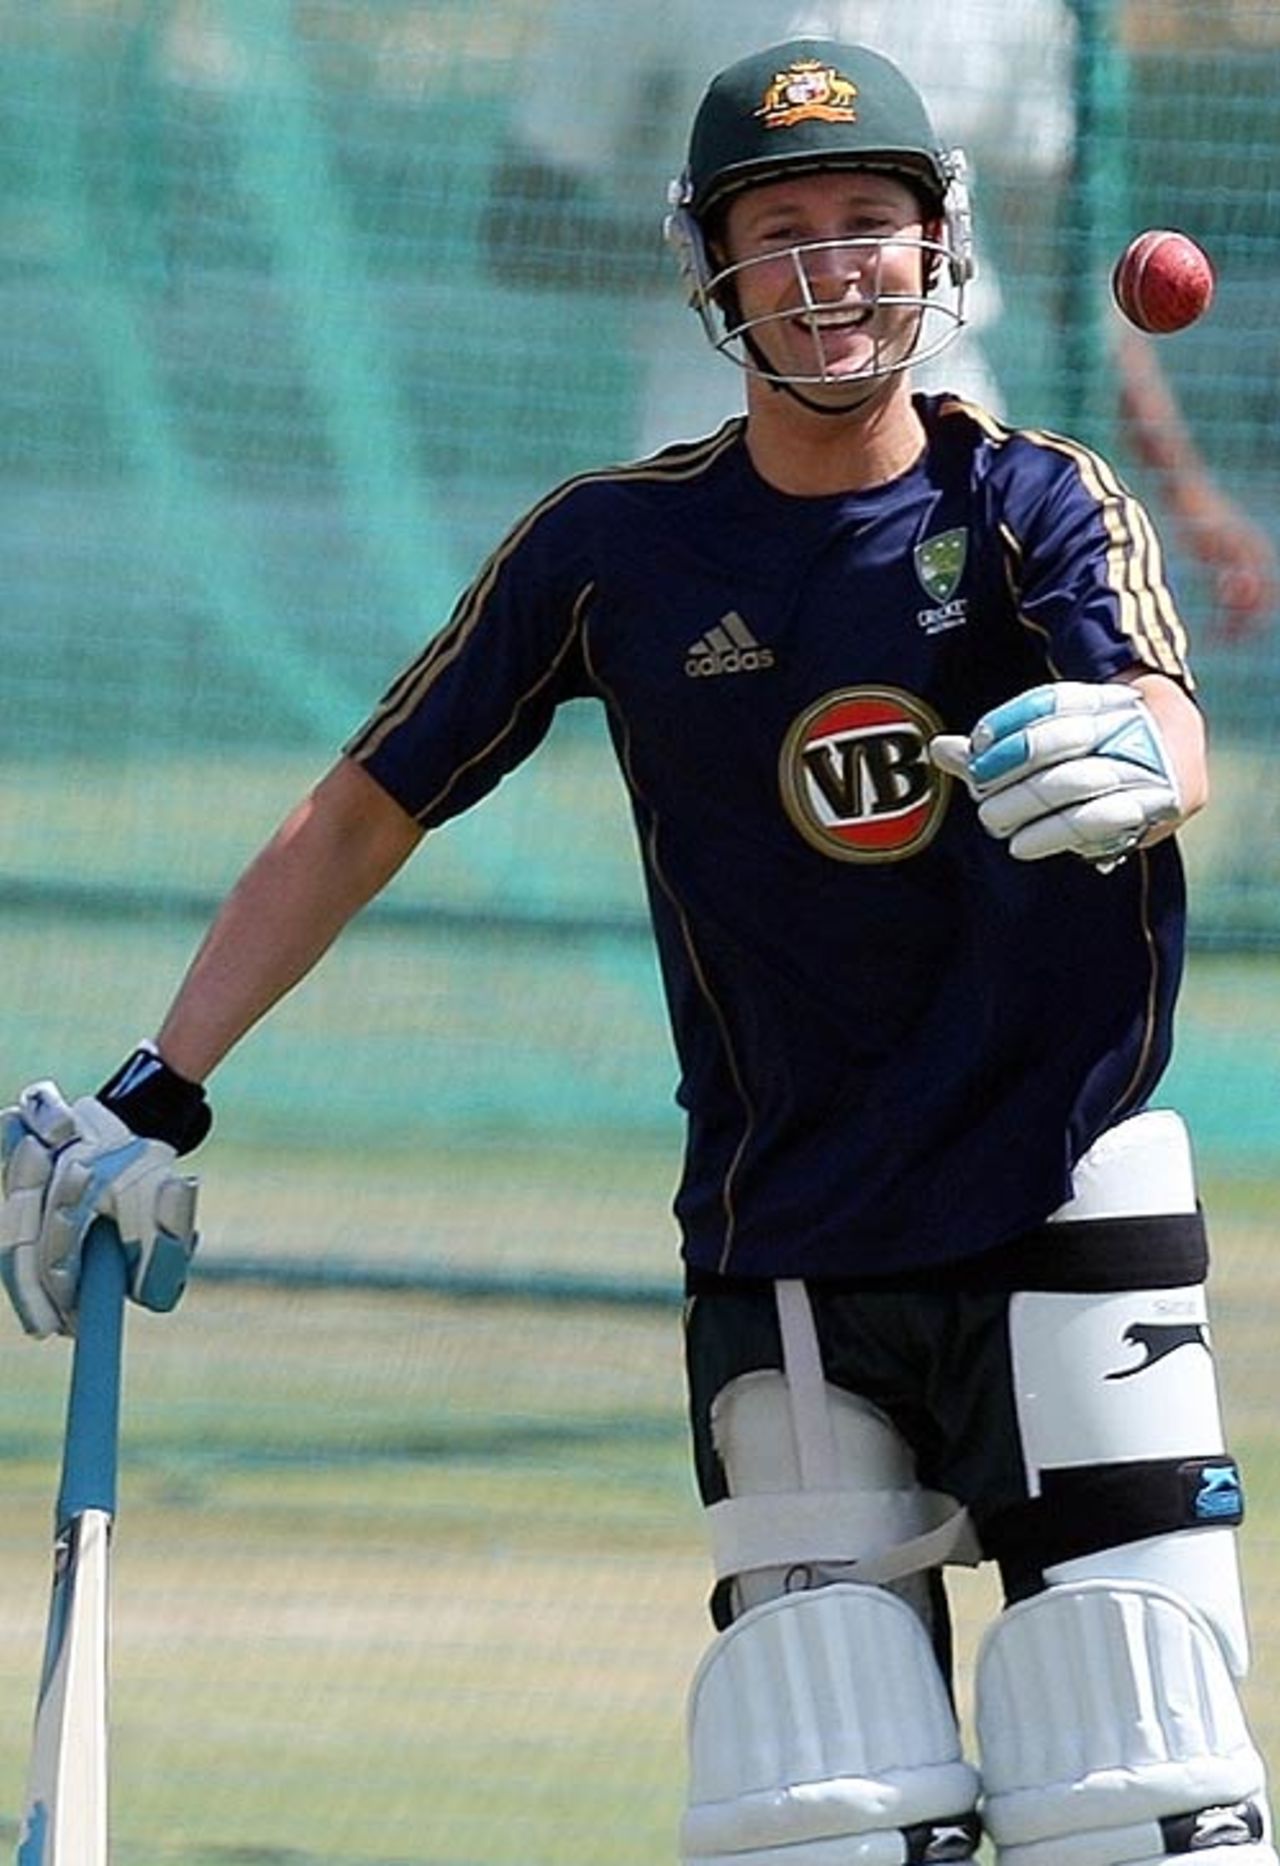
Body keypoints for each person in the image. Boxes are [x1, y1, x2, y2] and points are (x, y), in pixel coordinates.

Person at [3, 37, 1273, 1866]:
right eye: (782, 233)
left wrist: (1151, 749)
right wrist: (158, 1092)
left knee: (1138, 1794)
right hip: (792, 1247)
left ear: (940, 249)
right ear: (707, 262)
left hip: (1058, 1202)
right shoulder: (617, 551)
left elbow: (1161, 699)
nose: (831, 272)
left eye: (869, 224)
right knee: (818, 1811)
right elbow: (361, 811)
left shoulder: (1031, 504)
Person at [490, 0, 1277, 638]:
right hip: (714, 414)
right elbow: (519, 226)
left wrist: (1188, 493)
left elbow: (1066, 260)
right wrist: (744, 267)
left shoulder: (1015, 14)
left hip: (940, 411)